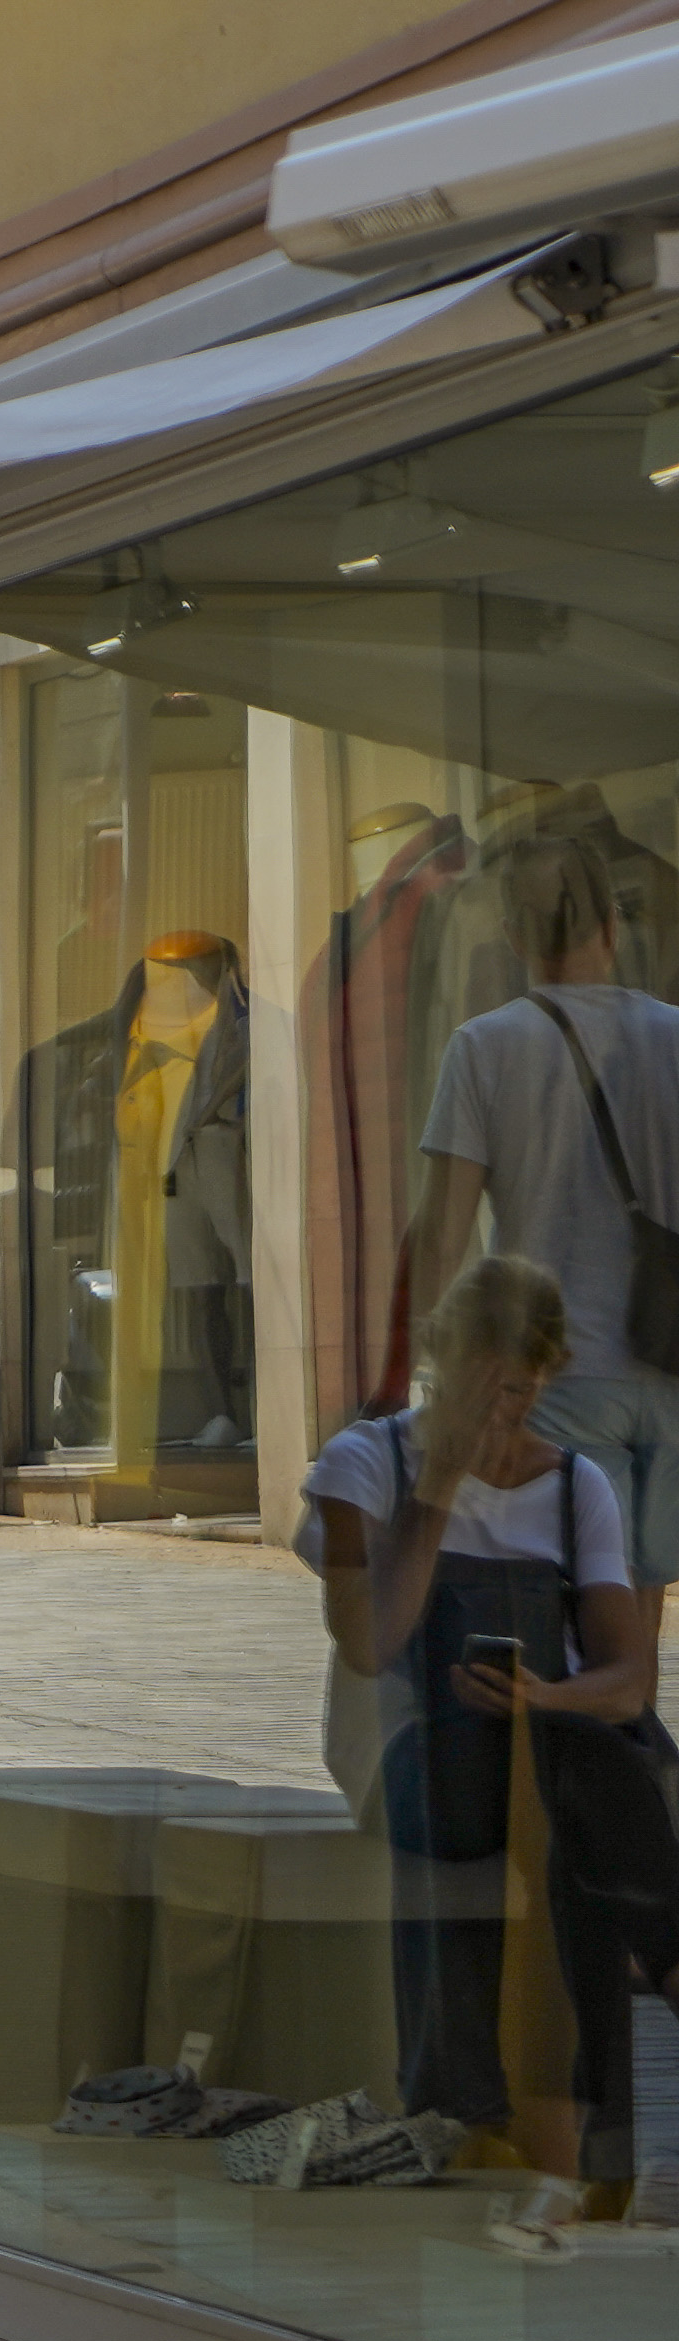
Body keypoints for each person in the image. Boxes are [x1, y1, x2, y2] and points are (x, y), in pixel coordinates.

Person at [307, 1251, 679, 2250]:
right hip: (417, 1754)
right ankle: (590, 2137)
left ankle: (558, 2165)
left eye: (521, 1390)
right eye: (486, 1385)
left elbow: (628, 1678)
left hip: (548, 1747)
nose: (504, 1411)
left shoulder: (577, 1489)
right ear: (441, 1363)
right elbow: (370, 1639)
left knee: (583, 1776)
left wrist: (543, 1696)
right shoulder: (362, 1465)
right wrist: (437, 1482)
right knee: (584, 1800)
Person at [410, 833, 679, 1578]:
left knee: (584, 1594)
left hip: (557, 1371)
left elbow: (443, 1237)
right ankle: (632, 1698)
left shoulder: (482, 1048)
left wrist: (436, 1370)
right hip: (672, 1363)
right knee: (639, 1606)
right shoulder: (675, 1038)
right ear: (612, 929)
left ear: (514, 938)